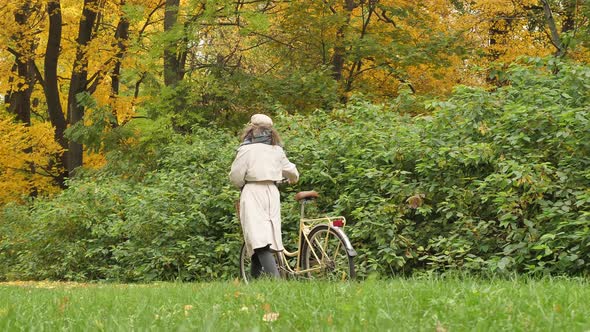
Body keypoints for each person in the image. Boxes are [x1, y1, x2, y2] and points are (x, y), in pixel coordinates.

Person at [229, 114, 299, 279]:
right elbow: (292, 172)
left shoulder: (246, 150)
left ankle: (276, 281)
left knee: (258, 239)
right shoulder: (277, 150)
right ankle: (254, 282)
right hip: (272, 193)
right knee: (263, 236)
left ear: (251, 129)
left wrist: (242, 185)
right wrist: (290, 180)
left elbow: (235, 175)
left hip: (252, 192)